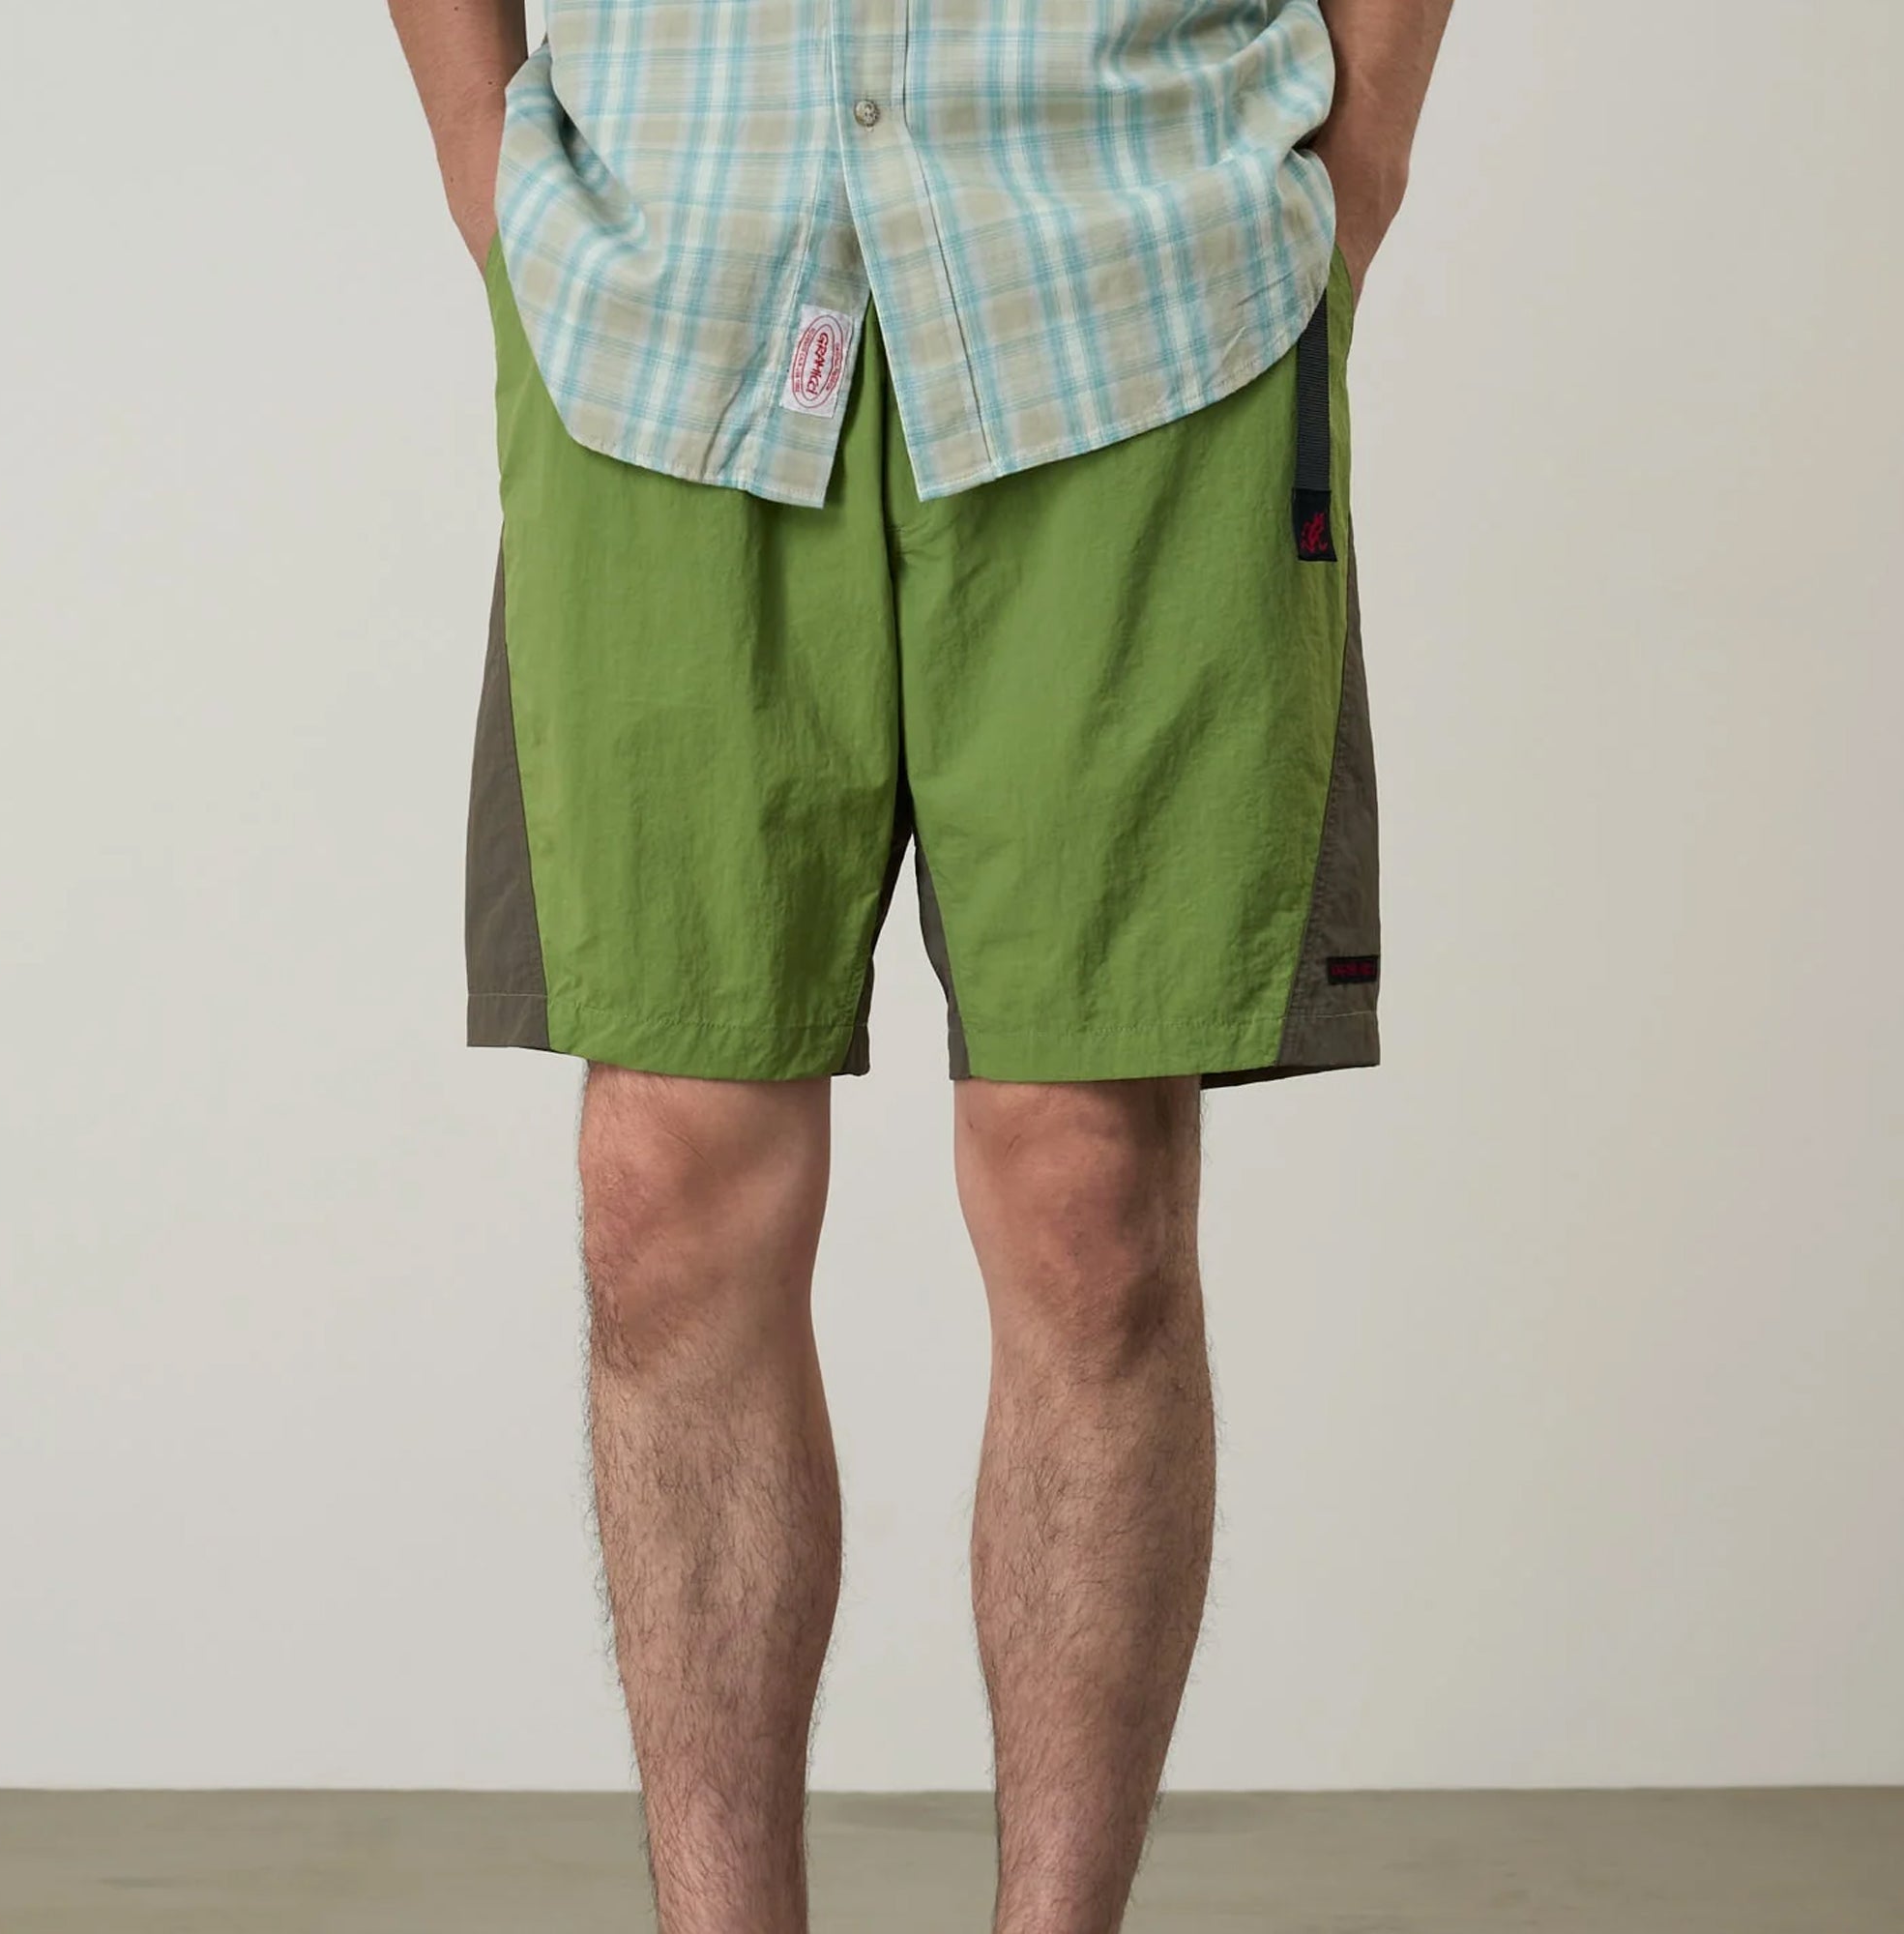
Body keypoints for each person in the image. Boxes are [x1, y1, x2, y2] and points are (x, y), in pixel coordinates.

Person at [390, 0, 1453, 1925]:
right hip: (664, 272)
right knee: (664, 1186)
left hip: (1142, 268)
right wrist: (482, 151)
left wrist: (1358, 156)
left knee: (1089, 1190)